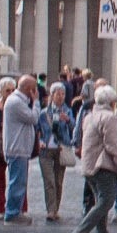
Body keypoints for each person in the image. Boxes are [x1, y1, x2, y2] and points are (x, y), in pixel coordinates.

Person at [72, 83, 117, 233]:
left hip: (88, 164)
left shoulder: (89, 116)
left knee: (100, 200)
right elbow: (113, 145)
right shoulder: (109, 118)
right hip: (102, 165)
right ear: (112, 102)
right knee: (106, 201)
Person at [1, 76, 39, 223]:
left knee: (18, 181)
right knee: (16, 182)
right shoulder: (15, 102)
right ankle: (12, 213)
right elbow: (33, 118)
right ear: (29, 89)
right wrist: (35, 102)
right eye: (34, 88)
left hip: (20, 147)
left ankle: (15, 211)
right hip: (17, 148)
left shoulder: (18, 101)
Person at [38, 82, 75, 220]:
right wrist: (40, 142)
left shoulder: (68, 111)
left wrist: (68, 120)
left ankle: (56, 208)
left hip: (61, 149)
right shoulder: (43, 113)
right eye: (58, 94)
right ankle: (51, 210)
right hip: (46, 149)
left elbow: (74, 127)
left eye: (63, 94)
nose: (61, 97)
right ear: (52, 95)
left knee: (58, 181)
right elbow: (37, 130)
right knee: (49, 181)